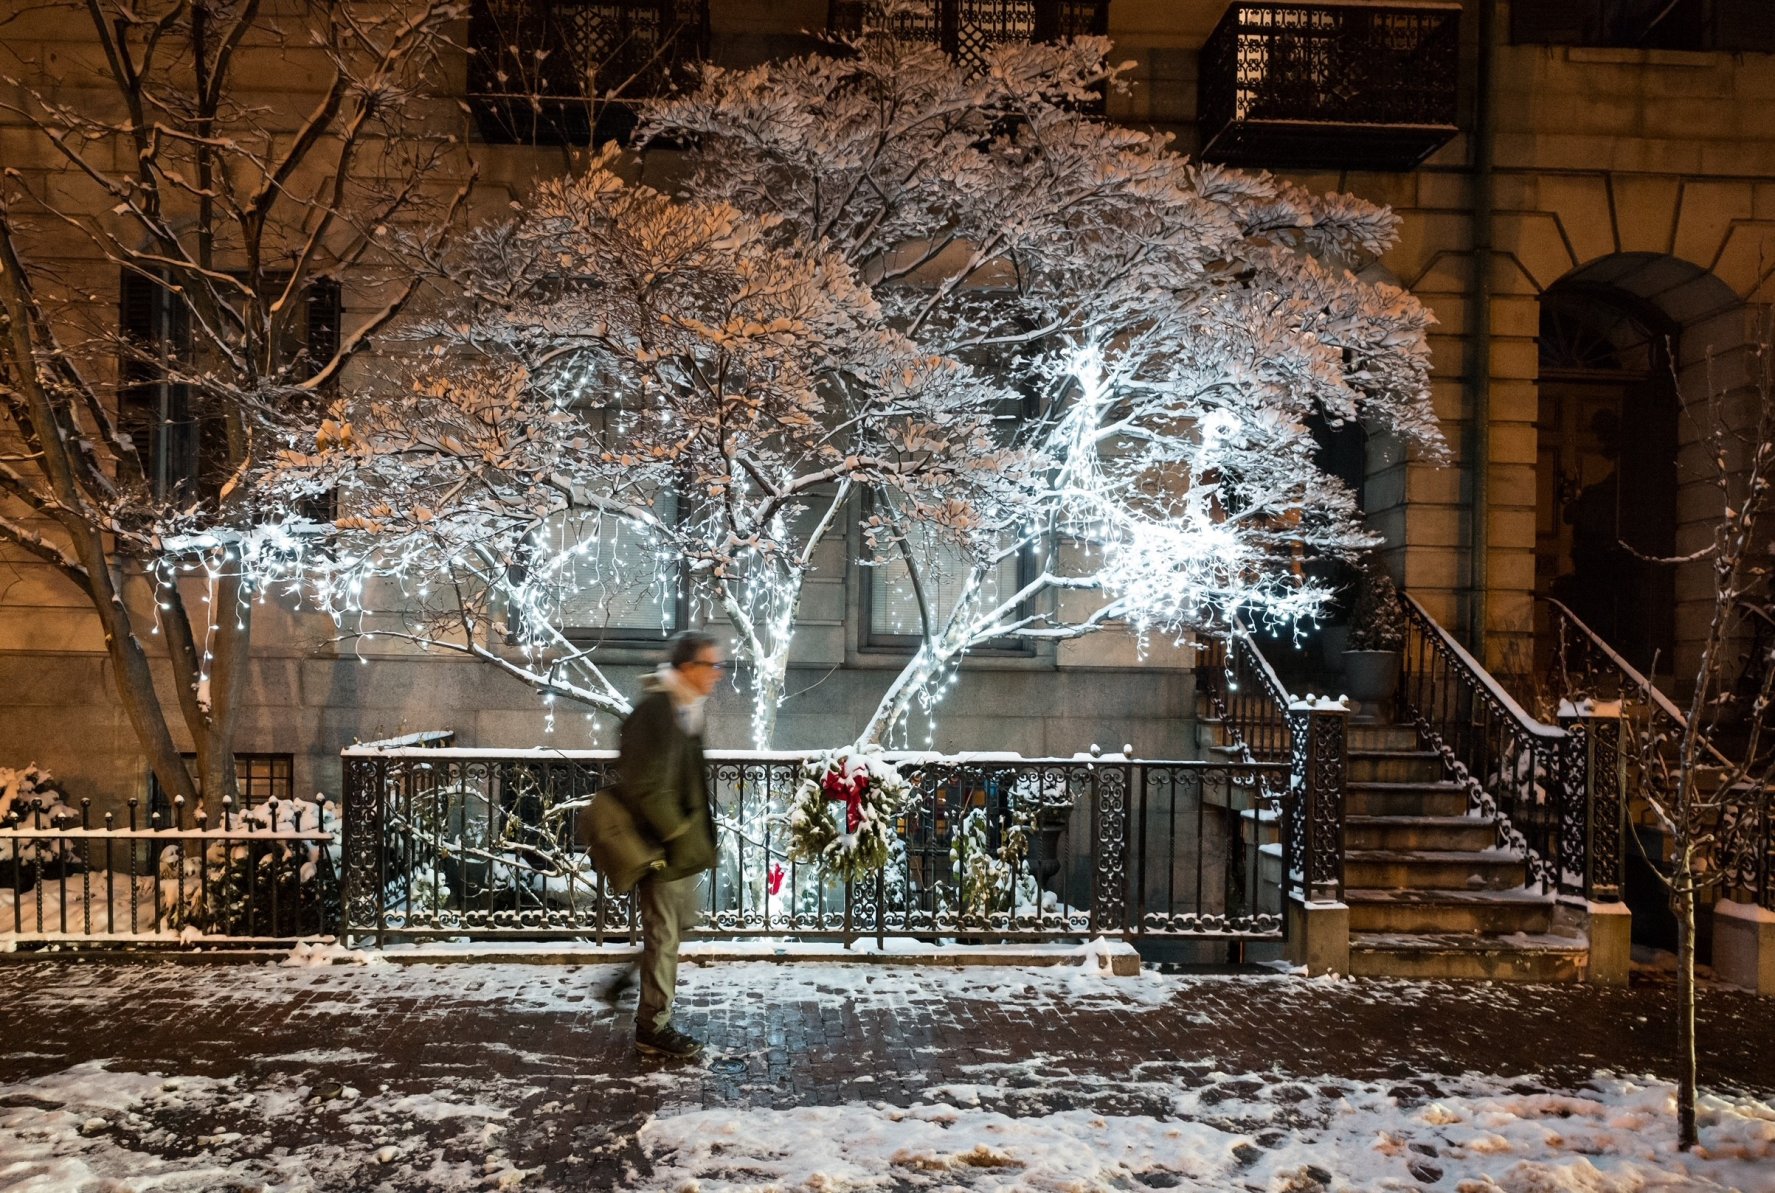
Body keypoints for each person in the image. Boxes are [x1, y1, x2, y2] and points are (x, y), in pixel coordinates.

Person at [618, 630, 722, 1058]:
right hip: (662, 849)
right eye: (710, 665)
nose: (717, 674)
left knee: (671, 930)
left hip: (678, 847)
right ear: (687, 668)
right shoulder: (660, 711)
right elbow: (647, 784)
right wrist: (676, 833)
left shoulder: (683, 708)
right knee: (664, 935)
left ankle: (634, 987)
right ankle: (652, 1028)